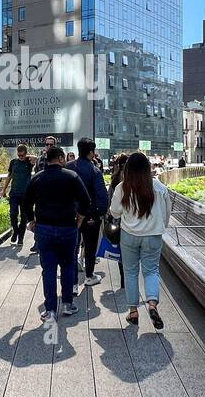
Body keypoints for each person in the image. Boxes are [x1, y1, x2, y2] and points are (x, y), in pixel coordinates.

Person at [23, 145, 91, 321]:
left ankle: (50, 310)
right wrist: (81, 218)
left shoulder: (37, 178)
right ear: (61, 159)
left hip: (44, 229)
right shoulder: (72, 177)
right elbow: (86, 200)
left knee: (49, 269)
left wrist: (31, 221)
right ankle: (68, 304)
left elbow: (26, 202)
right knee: (68, 266)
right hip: (68, 228)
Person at [110, 151, 172, 329]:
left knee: (130, 272)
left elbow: (114, 212)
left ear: (127, 169)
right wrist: (160, 227)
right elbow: (167, 213)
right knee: (151, 271)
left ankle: (133, 312)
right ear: (148, 168)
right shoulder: (159, 187)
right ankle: (152, 305)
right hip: (153, 235)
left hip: (129, 235)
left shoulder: (123, 187)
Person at [72, 137, 110, 288]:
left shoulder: (68, 167)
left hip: (71, 214)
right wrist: (101, 213)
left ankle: (72, 281)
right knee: (90, 245)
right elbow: (102, 195)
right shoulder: (94, 171)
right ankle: (89, 275)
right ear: (91, 152)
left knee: (72, 247)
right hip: (91, 215)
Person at [0, 144, 34, 246]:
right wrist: (4, 189)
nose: (20, 157)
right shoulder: (13, 162)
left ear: (25, 154)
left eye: (22, 155)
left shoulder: (29, 162)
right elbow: (9, 175)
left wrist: (27, 157)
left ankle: (21, 238)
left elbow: (36, 159)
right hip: (14, 193)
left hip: (25, 194)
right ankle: (15, 231)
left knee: (24, 217)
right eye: (19, 155)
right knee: (13, 214)